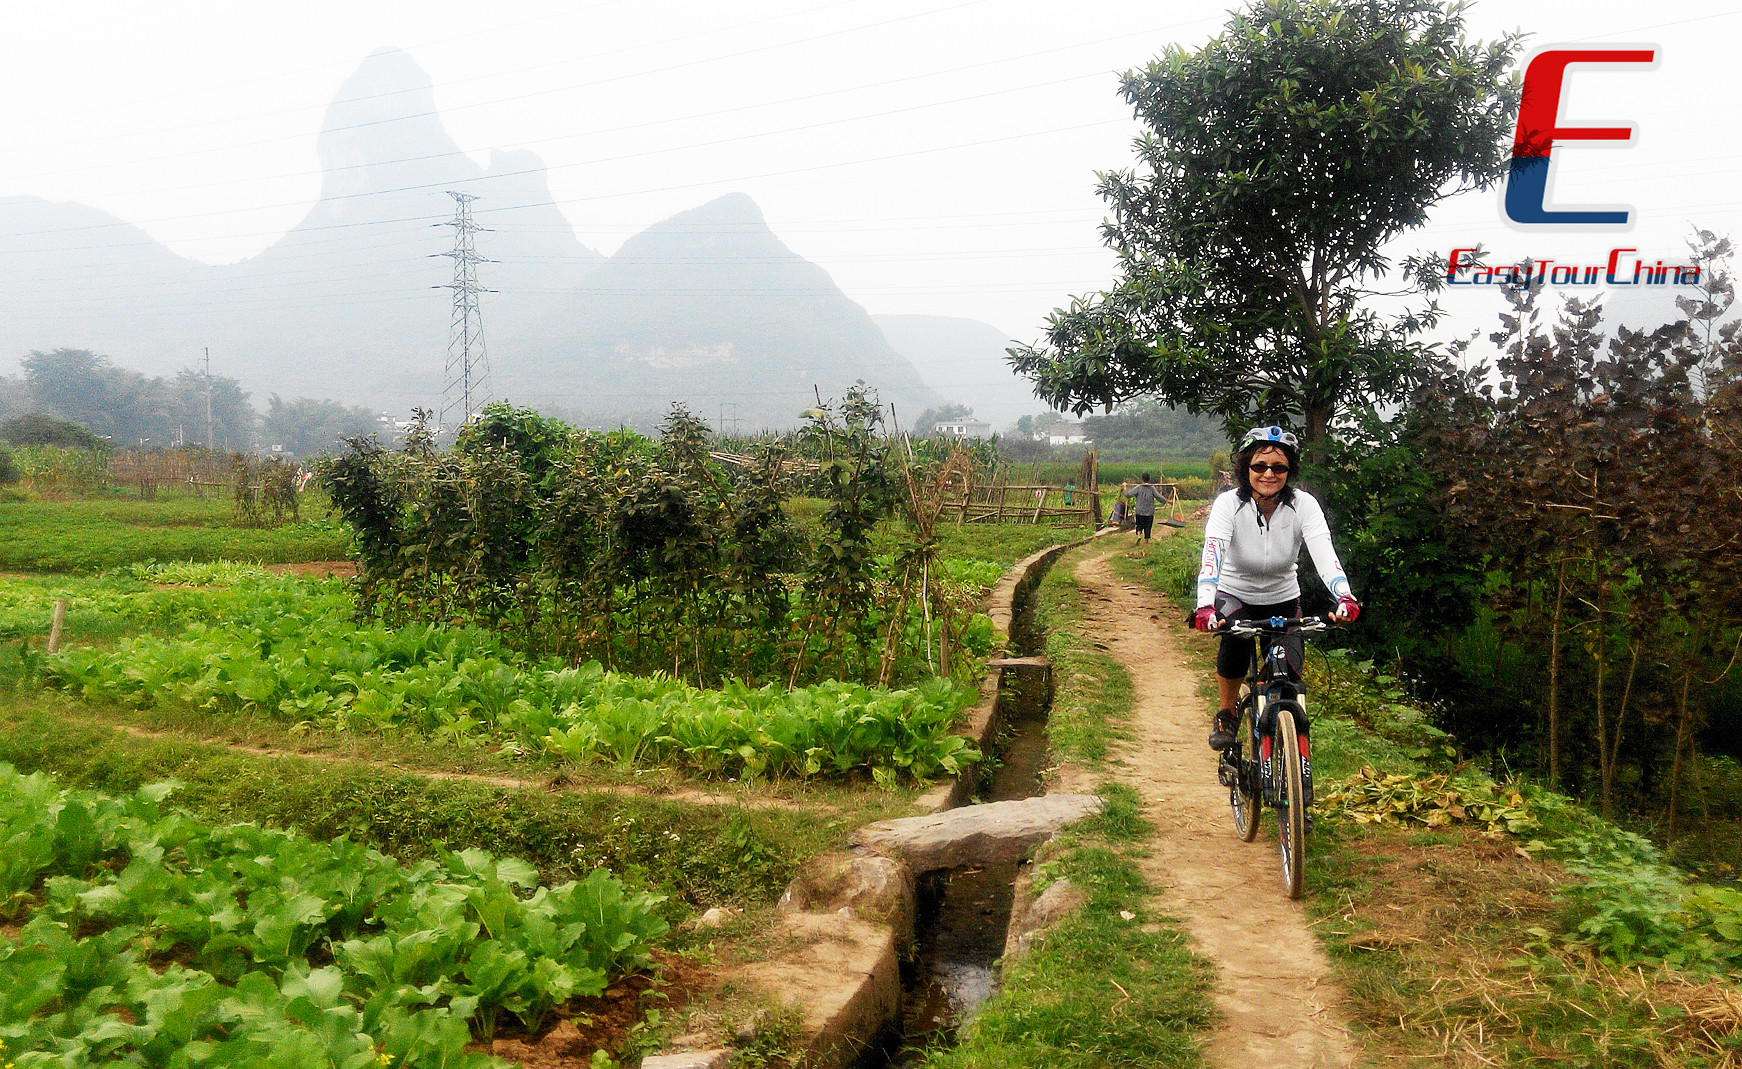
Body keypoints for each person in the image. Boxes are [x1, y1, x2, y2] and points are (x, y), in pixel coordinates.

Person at [1191, 426, 1359, 750]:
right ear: (1245, 468)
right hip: (1234, 593)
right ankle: (1226, 713)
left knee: (1287, 673)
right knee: (1236, 640)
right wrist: (1205, 605)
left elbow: (1325, 555)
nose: (1269, 473)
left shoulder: (1303, 505)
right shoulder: (1229, 505)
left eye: (1279, 467)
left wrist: (1345, 597)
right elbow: (1212, 555)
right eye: (1259, 466)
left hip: (1282, 598)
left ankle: (1280, 740)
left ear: (1289, 471)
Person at [1124, 472, 1161, 542]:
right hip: (1149, 511)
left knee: (1139, 525)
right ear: (1149, 479)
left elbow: (1128, 495)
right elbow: (1158, 496)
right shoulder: (1152, 488)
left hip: (1140, 511)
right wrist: (1166, 501)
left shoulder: (1138, 488)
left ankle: (1139, 535)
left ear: (1142, 479)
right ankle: (1146, 540)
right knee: (1148, 526)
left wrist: (1125, 488)